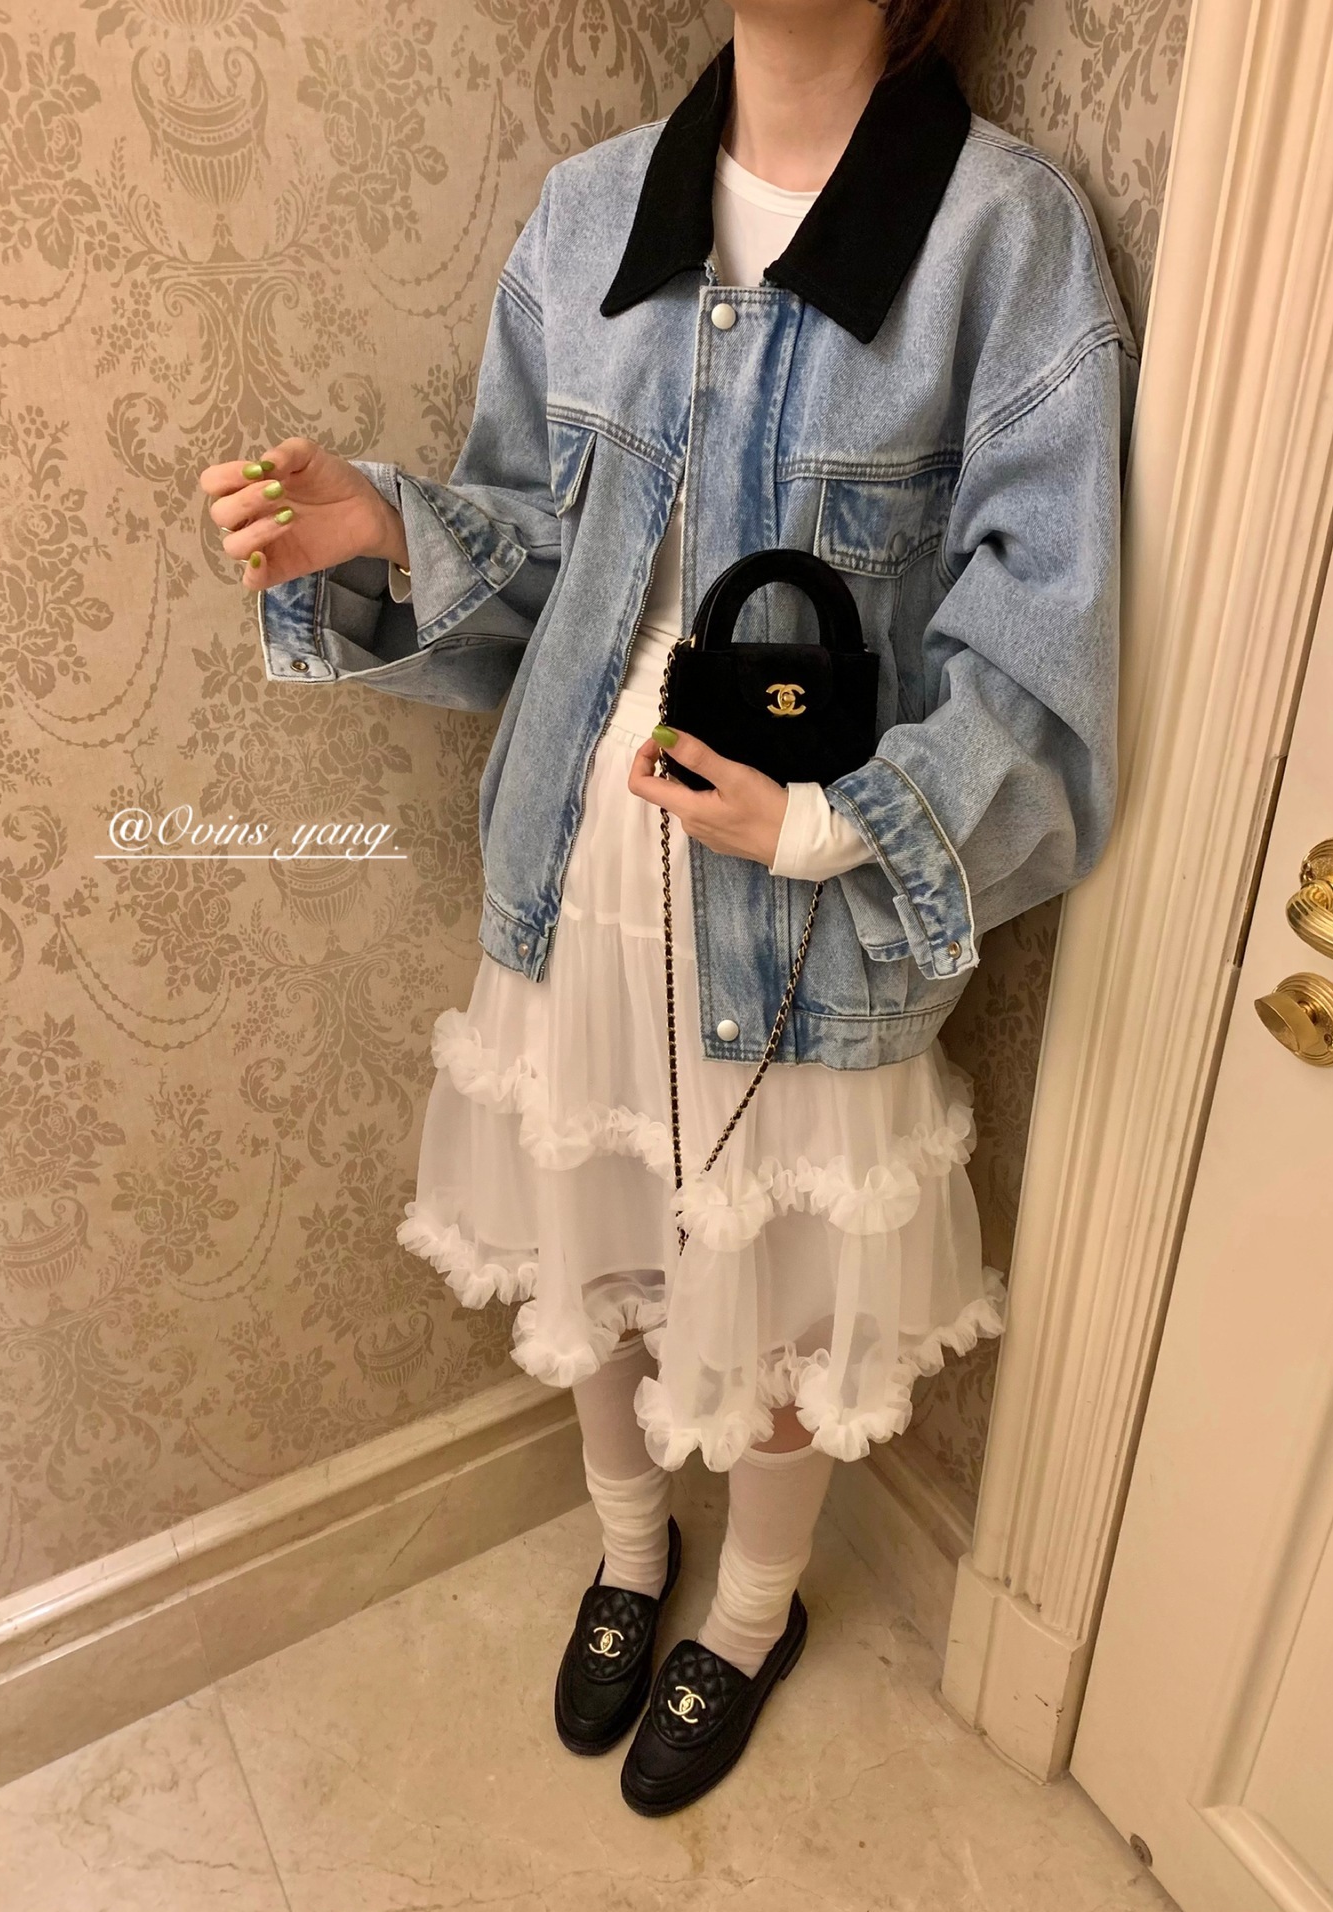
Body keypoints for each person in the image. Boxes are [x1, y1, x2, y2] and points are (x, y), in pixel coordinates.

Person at [199, 0, 1135, 1817]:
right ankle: (630, 1555)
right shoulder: (590, 210)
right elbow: (538, 561)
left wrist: (830, 826)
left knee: (784, 1300)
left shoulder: (997, 236)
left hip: (809, 918)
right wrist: (379, 535)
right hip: (575, 880)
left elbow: (1044, 646)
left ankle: (752, 1613)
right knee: (598, 1239)